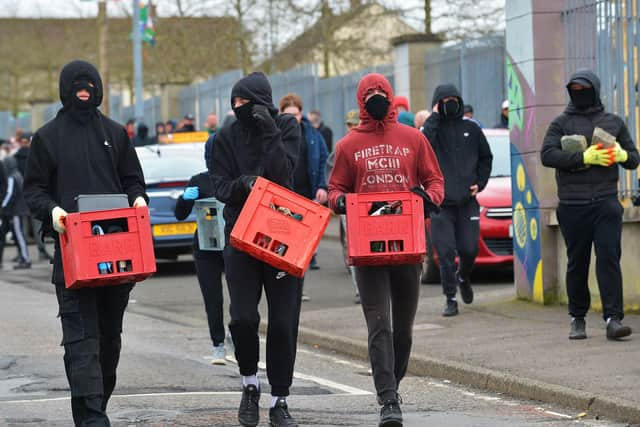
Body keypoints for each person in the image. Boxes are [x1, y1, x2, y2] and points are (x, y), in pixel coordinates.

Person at [23, 60, 147, 426]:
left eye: (89, 83)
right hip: (72, 254)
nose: (84, 89)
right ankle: (94, 420)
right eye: (76, 84)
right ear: (65, 89)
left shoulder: (115, 133)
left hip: (116, 255)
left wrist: (138, 198)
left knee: (108, 343)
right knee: (81, 343)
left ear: (98, 89)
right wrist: (53, 212)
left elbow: (132, 179)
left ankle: (93, 409)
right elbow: (34, 190)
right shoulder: (47, 137)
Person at [329, 73, 444, 427]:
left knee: (403, 330)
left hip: (408, 246)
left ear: (391, 96)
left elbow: (435, 181)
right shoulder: (348, 145)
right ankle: (388, 399)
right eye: (371, 94)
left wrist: (430, 200)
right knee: (379, 324)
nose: (377, 97)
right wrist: (343, 202)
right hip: (368, 250)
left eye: (382, 92)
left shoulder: (413, 139)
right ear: (362, 100)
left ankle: (393, 381)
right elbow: (334, 189)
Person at [209, 71, 301, 427]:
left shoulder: (287, 129)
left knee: (282, 322)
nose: (239, 108)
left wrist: (270, 133)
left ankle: (280, 399)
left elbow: (284, 176)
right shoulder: (224, 138)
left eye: (246, 102)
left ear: (263, 102)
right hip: (241, 236)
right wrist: (244, 185)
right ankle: (250, 383)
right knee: (243, 318)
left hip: (283, 235)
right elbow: (220, 186)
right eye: (235, 103)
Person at [541, 69, 639, 341]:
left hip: (606, 203)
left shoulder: (614, 122)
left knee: (609, 259)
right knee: (577, 262)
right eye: (575, 89)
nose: (579, 94)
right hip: (573, 205)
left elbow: (633, 158)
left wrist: (620, 154)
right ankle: (577, 318)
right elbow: (547, 155)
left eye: (584, 89)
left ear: (595, 90)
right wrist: (583, 157)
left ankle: (613, 319)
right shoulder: (561, 123)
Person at [422, 84, 493, 317]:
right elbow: (422, 147)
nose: (450, 103)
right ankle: (450, 298)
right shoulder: (432, 130)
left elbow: (486, 157)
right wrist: (433, 116)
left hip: (466, 203)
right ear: (437, 104)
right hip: (441, 205)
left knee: (469, 249)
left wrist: (480, 183)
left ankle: (463, 277)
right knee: (444, 253)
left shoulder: (471, 129)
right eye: (445, 100)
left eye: (454, 99)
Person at [175, 147, 228, 365]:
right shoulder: (198, 180)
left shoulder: (234, 178)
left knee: (241, 295)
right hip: (206, 248)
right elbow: (179, 215)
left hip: (233, 245)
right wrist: (184, 198)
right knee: (212, 298)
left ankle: (237, 333)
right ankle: (218, 344)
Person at [279, 93, 329, 297]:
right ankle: (288, 288)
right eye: (287, 115)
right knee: (285, 244)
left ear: (301, 114)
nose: (292, 119)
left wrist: (322, 186)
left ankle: (298, 287)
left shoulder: (312, 135)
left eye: (296, 114)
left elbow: (324, 161)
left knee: (302, 246)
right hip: (284, 197)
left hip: (307, 196)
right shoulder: (275, 134)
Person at [13, 132, 53, 262]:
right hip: (35, 196)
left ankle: (23, 253)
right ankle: (41, 251)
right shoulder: (36, 157)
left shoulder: (14, 158)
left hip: (20, 199)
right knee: (37, 226)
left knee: (22, 229)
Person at [0, 156, 31, 269]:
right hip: (21, 209)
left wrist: (3, 205)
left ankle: (25, 259)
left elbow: (9, 194)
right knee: (19, 234)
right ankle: (23, 257)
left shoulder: (11, 177)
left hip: (16, 210)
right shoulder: (18, 174)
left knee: (19, 235)